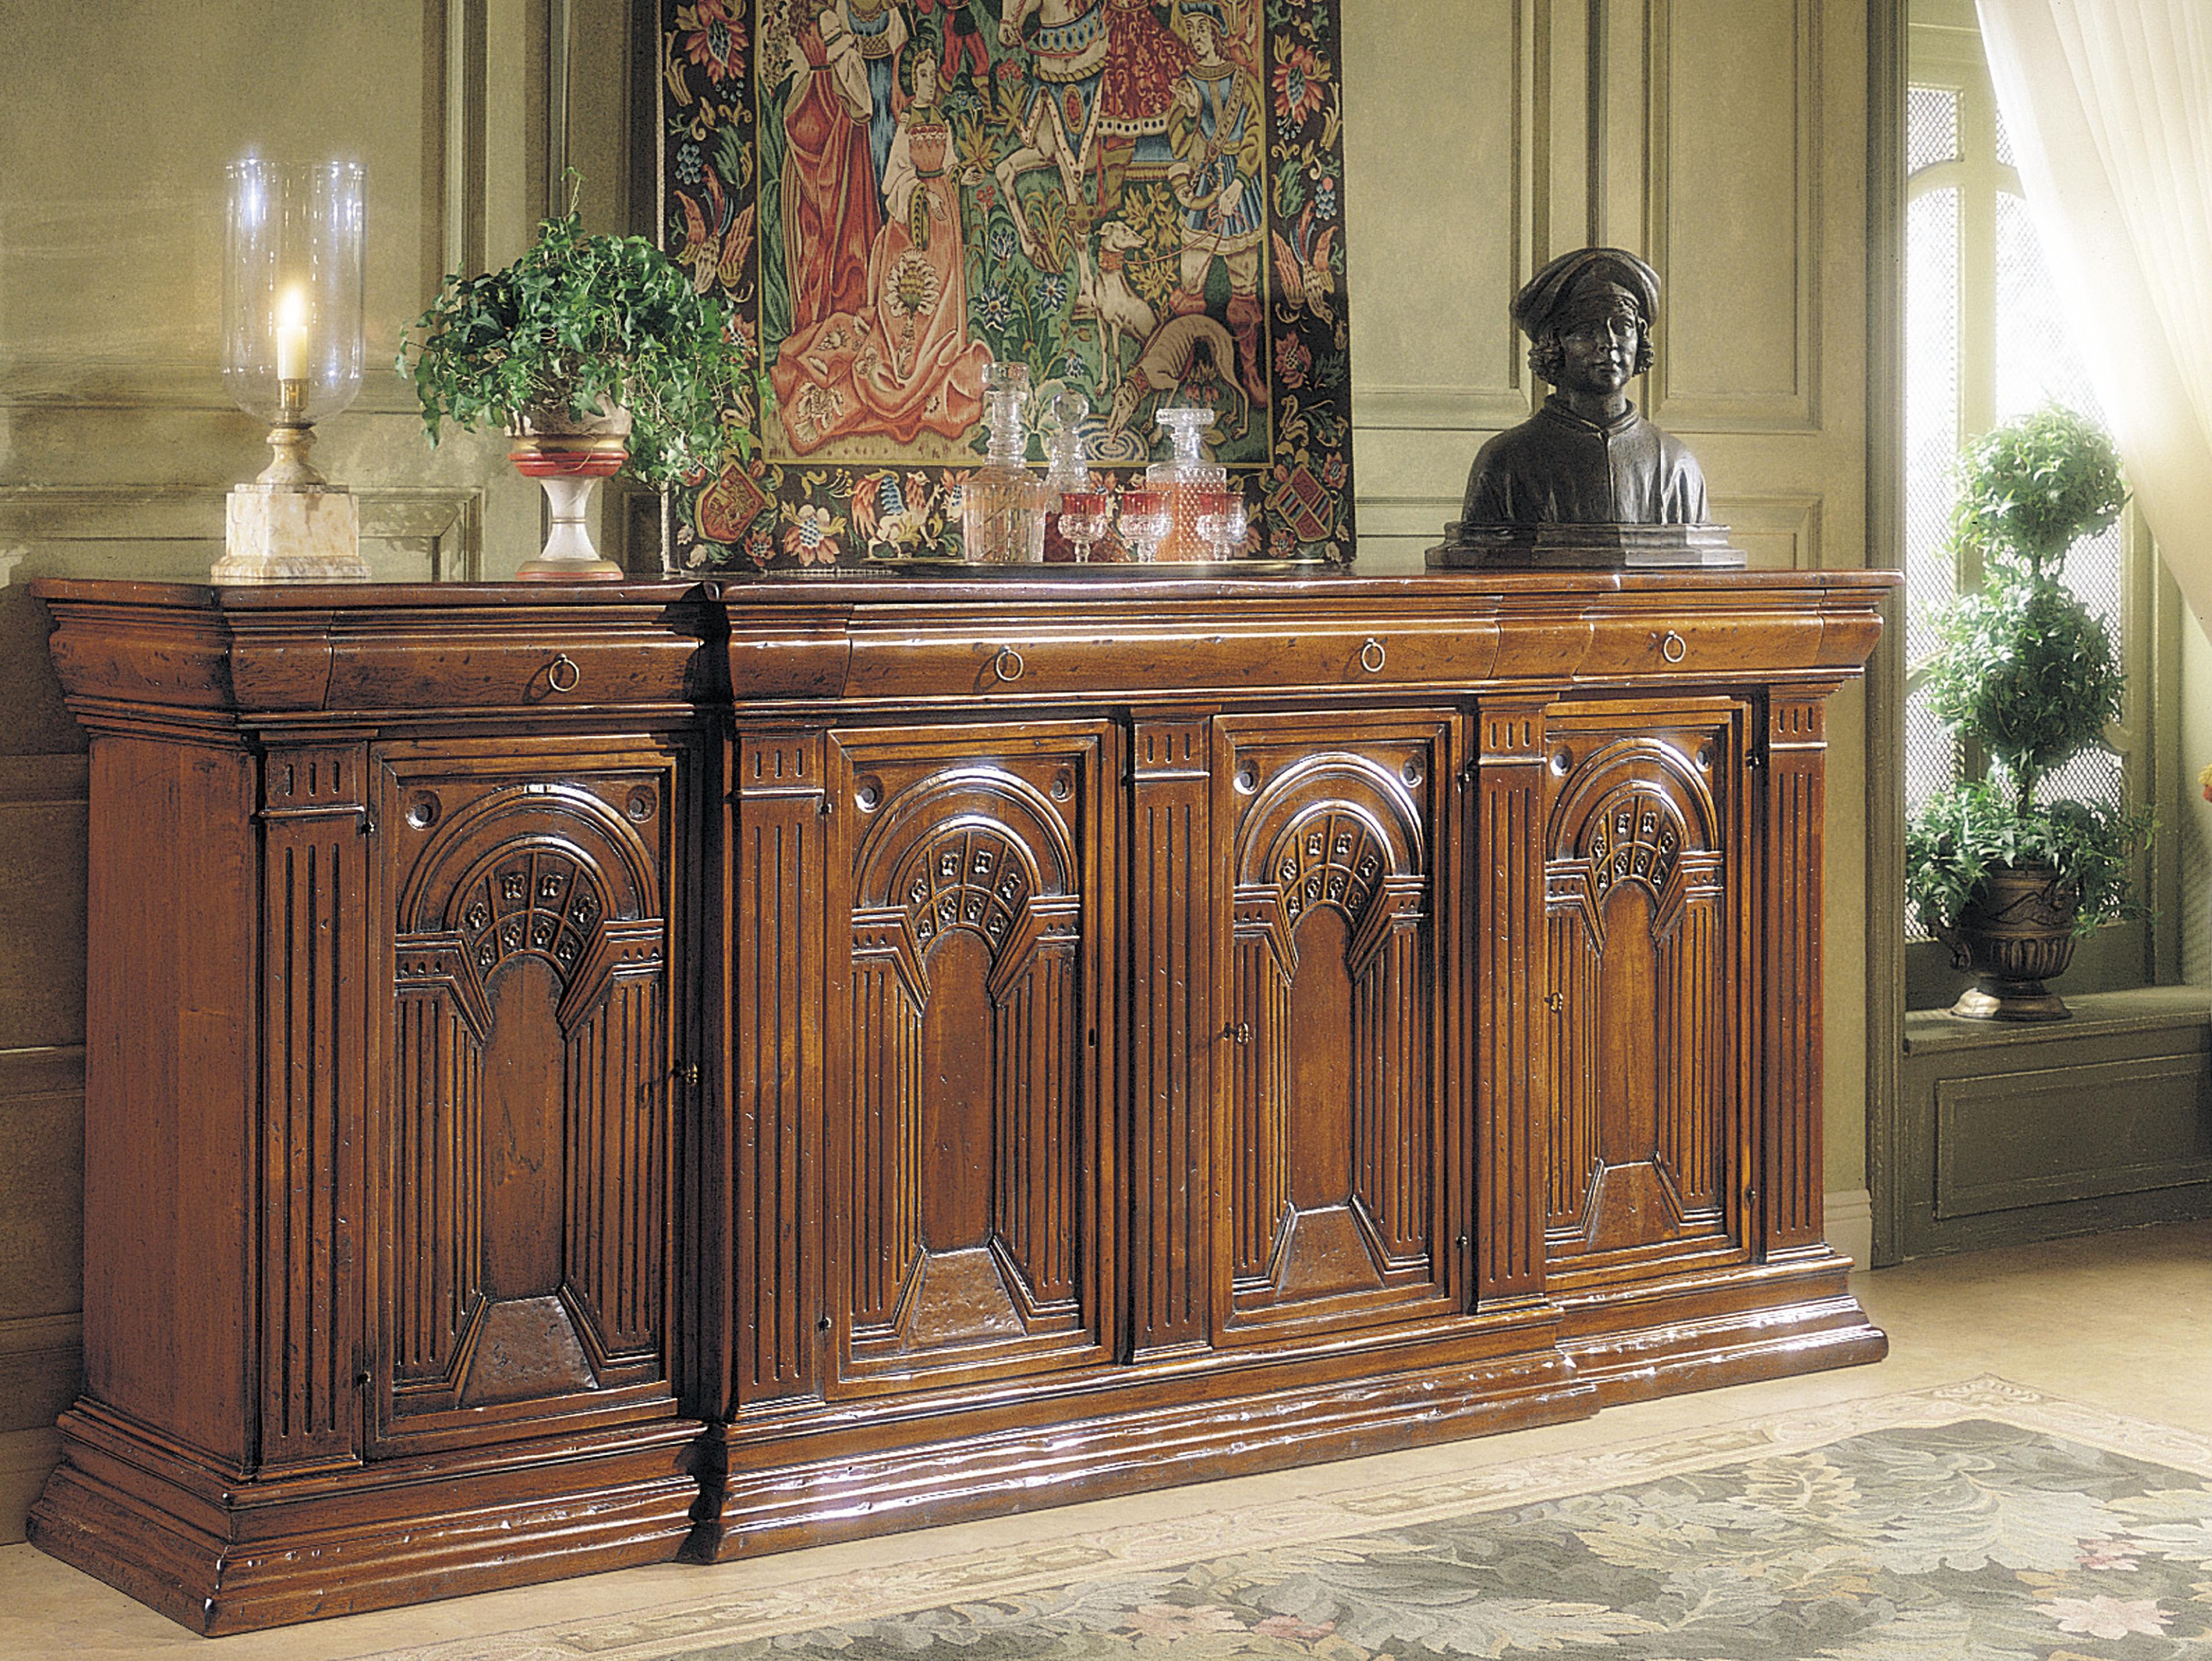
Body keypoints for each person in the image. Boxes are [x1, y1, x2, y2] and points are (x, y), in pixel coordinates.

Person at [770, 55, 991, 452]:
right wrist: (922, 193)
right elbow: (892, 183)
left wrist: (962, 177)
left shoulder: (942, 122)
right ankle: (906, 368)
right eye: (922, 75)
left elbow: (950, 165)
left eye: (932, 75)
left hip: (944, 219)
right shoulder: (905, 127)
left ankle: (936, 360)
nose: (929, 82)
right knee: (911, 301)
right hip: (911, 224)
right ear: (911, 81)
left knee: (944, 296)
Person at [1459, 247, 1709, 525]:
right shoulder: (1506, 461)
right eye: (1587, 329)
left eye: (1623, 326)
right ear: (1554, 343)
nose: (1608, 342)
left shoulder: (1676, 463)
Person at [1163, 0, 1266, 406]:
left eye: (1202, 29)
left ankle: (1249, 371)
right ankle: (1183, 372)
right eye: (1190, 30)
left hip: (1240, 190)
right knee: (1190, 286)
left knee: (1244, 291)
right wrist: (1190, 114)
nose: (1196, 38)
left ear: (1216, 33)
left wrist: (1239, 183)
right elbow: (1177, 141)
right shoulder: (1187, 83)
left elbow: (1255, 132)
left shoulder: (1242, 80)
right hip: (1204, 187)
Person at [776, 0, 883, 337]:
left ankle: (816, 311)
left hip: (808, 101)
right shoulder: (826, 16)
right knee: (846, 215)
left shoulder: (801, 16)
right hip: (832, 105)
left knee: (812, 224)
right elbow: (858, 95)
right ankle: (844, 306)